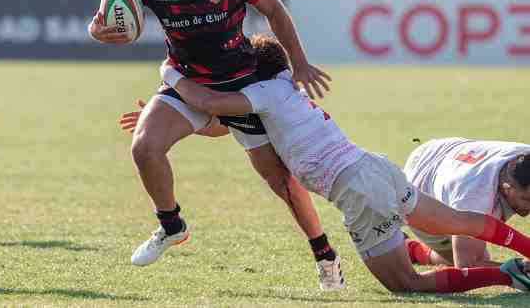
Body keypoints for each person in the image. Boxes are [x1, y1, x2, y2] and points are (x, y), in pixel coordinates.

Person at [87, 0, 342, 288]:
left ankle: (325, 255)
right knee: (144, 147)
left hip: (240, 82)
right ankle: (171, 225)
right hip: (187, 82)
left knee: (280, 183)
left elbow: (274, 10)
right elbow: (110, 20)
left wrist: (301, 63)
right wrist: (98, 32)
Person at [150, 34, 530, 293]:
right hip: (376, 168)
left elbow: (212, 104)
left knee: (407, 284)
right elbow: (222, 122)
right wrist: (184, 128)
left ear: (251, 75)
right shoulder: (284, 87)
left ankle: (504, 275)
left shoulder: (262, 93)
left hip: (359, 190)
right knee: (461, 222)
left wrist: (171, 75)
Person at [403, 138, 530, 269]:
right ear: (507, 188)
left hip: (445, 149)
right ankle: (414, 250)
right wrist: (521, 269)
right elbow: (468, 266)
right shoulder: (475, 200)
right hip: (417, 184)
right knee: (470, 257)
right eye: (527, 199)